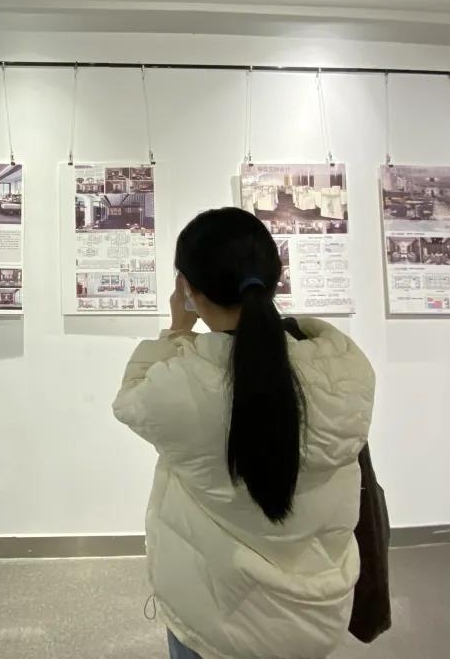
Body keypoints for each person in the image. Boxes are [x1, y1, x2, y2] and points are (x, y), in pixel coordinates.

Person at [113, 207, 375, 659]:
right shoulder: (347, 369)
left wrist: (177, 331)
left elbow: (130, 400)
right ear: (275, 276)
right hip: (318, 614)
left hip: (218, 623)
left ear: (188, 289)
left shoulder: (181, 385)